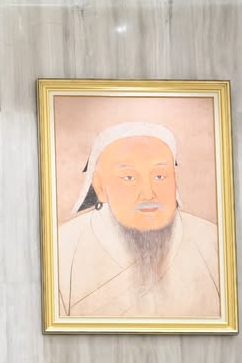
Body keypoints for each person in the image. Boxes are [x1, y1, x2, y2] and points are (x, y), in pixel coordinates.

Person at [51, 121, 223, 319]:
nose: (148, 193)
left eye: (160, 176)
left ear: (175, 179)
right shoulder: (62, 247)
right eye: (129, 177)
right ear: (100, 186)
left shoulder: (211, 241)